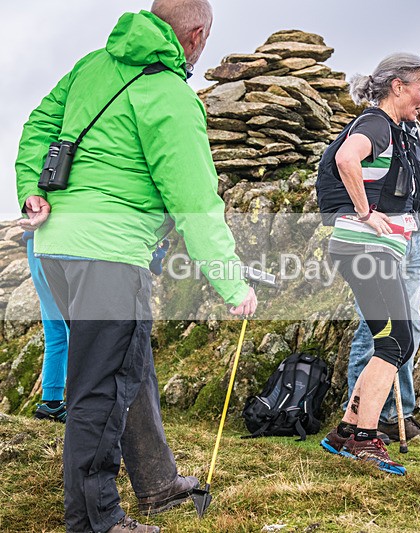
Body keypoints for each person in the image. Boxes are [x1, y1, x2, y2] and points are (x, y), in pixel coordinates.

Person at [15, 1, 257, 531]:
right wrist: (230, 281)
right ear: (195, 36)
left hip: (56, 247)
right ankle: (95, 519)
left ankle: (156, 483)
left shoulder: (91, 65)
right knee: (99, 392)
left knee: (127, 365)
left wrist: (32, 189)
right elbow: (195, 200)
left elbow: (36, 126)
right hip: (109, 252)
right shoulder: (170, 96)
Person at [316, 53, 420, 475]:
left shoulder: (394, 128)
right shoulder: (376, 124)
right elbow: (347, 159)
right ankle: (365, 439)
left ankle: (347, 430)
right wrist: (367, 213)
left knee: (394, 340)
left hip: (369, 252)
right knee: (396, 341)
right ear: (397, 86)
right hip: (366, 249)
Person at [344, 51, 420, 443]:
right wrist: (367, 213)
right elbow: (353, 164)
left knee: (410, 325)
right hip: (385, 236)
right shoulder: (391, 122)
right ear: (407, 89)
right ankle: (362, 422)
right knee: (377, 328)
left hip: (417, 237)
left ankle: (395, 411)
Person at [21, 231, 70, 422]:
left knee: (56, 332)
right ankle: (80, 401)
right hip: (56, 244)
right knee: (77, 330)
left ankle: (51, 403)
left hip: (35, 245)